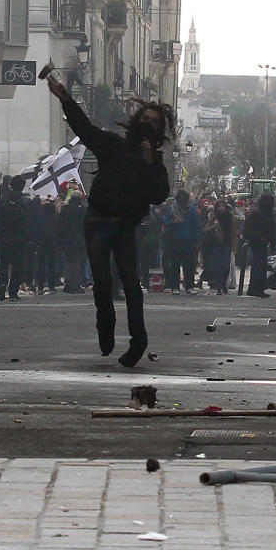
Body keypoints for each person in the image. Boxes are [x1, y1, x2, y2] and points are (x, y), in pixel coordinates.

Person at [47, 75, 170, 368]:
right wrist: (66, 99)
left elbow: (158, 196)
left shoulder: (155, 161)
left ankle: (138, 341)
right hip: (98, 221)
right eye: (146, 118)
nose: (148, 123)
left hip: (125, 225)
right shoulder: (114, 145)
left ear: (159, 130)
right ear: (137, 120)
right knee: (101, 283)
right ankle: (106, 326)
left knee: (131, 283)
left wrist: (150, 162)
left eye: (154, 122)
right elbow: (86, 130)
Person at [0, 175, 31, 301]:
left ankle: (2, 284)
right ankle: (13, 292)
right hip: (20, 238)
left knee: (4, 263)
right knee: (17, 266)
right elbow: (30, 222)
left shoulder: (2, 200)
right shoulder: (25, 201)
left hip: (4, 237)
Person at [162, 190, 200, 294]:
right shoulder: (171, 209)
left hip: (188, 240)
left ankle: (189, 286)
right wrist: (173, 222)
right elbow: (165, 222)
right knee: (175, 264)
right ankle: (175, 286)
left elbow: (195, 226)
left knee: (189, 265)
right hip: (175, 240)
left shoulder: (191, 210)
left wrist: (196, 241)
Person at [242, 194, 276, 298]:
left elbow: (272, 229)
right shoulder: (256, 214)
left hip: (263, 243)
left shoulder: (268, 214)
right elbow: (249, 229)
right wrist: (259, 238)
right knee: (258, 266)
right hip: (257, 243)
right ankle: (255, 288)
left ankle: (258, 288)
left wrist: (272, 242)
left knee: (261, 266)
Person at [203, 199, 238, 295]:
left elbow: (235, 233)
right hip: (216, 244)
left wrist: (235, 246)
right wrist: (213, 227)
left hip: (227, 244)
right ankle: (219, 286)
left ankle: (223, 284)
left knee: (226, 266)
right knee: (217, 266)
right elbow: (205, 229)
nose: (221, 208)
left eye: (222, 206)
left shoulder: (232, 218)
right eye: (219, 206)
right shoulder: (214, 217)